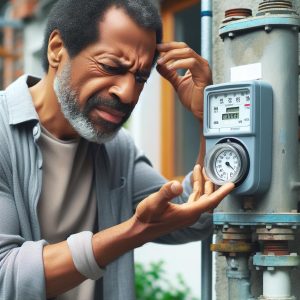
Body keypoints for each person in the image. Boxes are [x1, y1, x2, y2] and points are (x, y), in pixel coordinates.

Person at [0, 0, 234, 299]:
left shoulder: (116, 148)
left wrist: (208, 119)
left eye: (140, 77)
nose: (127, 93)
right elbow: (5, 275)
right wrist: (134, 231)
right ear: (57, 49)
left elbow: (194, 215)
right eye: (111, 67)